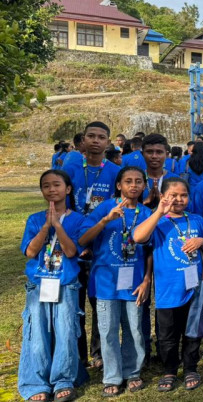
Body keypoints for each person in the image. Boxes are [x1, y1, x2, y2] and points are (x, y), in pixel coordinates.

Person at [79, 167, 151, 396]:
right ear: (119, 185)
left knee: (135, 330)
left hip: (135, 282)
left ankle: (132, 372)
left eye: (138, 181)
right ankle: (111, 376)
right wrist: (105, 220)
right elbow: (83, 239)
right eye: (128, 181)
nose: (133, 185)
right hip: (106, 282)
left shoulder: (147, 213)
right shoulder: (105, 208)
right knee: (108, 330)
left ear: (144, 186)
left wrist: (147, 279)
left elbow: (151, 250)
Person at [133, 177, 203, 392]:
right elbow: (138, 237)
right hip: (169, 289)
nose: (178, 199)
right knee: (167, 333)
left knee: (192, 330)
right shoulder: (157, 222)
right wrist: (159, 211)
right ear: (163, 196)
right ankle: (169, 369)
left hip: (194, 287)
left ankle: (190, 367)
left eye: (183, 195)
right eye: (173, 195)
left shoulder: (197, 220)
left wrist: (202, 241)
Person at [18, 170, 84, 402]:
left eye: (57, 185)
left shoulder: (78, 220)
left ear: (67, 189)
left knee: (65, 331)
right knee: (36, 333)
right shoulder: (35, 219)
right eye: (46, 186)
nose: (52, 190)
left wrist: (58, 224)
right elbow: (30, 251)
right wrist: (46, 227)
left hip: (65, 284)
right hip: (39, 284)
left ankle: (63, 380)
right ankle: (35, 382)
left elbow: (71, 251)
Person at [62, 121, 120, 368]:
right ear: (82, 141)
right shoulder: (72, 169)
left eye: (101, 137)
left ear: (108, 142)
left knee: (101, 303)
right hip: (74, 247)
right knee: (74, 304)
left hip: (103, 247)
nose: (96, 141)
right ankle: (77, 354)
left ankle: (98, 353)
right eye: (91, 136)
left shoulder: (115, 172)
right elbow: (64, 207)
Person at [142, 133, 178, 207]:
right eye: (149, 152)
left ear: (166, 154)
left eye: (159, 152)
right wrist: (145, 202)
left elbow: (184, 210)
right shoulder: (135, 180)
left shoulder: (176, 180)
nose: (154, 156)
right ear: (142, 154)